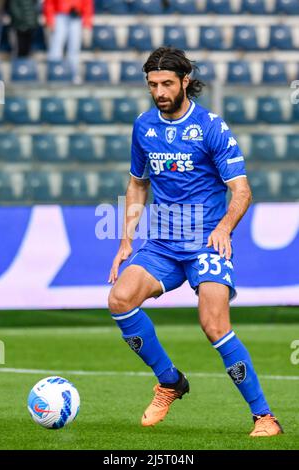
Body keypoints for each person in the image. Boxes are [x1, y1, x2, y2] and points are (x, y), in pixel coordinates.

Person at [108, 47, 283, 437]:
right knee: (120, 299)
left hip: (206, 242)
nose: (159, 92)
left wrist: (223, 229)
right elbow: (138, 183)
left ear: (185, 81)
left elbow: (241, 191)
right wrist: (125, 241)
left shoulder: (211, 127)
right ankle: (169, 380)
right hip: (164, 244)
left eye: (167, 83)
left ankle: (265, 417)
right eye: (153, 85)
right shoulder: (143, 126)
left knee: (213, 324)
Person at [43, 0, 93, 83]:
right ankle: (54, 74)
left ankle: (74, 75)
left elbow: (87, 4)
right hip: (59, 15)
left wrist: (87, 23)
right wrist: (50, 20)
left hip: (76, 16)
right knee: (55, 48)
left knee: (74, 49)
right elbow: (49, 3)